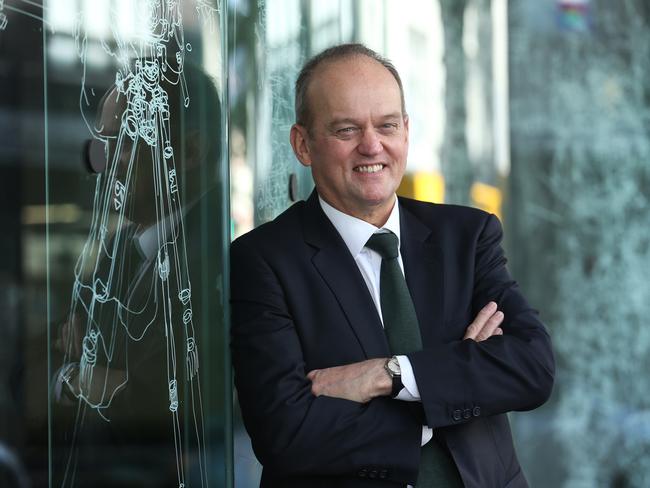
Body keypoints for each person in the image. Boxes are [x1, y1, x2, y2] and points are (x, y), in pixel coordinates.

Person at [230, 43, 554, 488]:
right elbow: (286, 432)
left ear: (405, 130)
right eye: (346, 130)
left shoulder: (468, 236)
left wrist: (388, 375)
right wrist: (456, 377)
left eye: (386, 125)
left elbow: (531, 368)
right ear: (303, 145)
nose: (371, 145)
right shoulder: (263, 260)